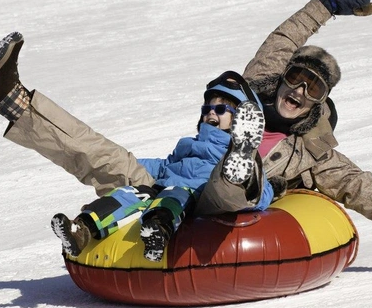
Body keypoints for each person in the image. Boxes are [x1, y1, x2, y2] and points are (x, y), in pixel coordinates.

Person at [0, 0, 372, 259]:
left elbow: (370, 193)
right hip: (178, 174)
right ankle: (10, 98)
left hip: (224, 198)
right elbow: (285, 34)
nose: (297, 91)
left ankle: (241, 155)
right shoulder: (260, 80)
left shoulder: (314, 154)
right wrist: (328, 5)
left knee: (232, 184)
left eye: (312, 89)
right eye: (298, 78)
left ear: (321, 101)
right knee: (107, 159)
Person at [50, 71, 273, 261]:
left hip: (202, 195)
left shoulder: (226, 154)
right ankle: (81, 230)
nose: (211, 113)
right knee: (127, 194)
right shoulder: (188, 145)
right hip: (161, 190)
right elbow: (163, 166)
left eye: (221, 109)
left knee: (175, 194)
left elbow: (264, 193)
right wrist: (129, 164)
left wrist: (258, 189)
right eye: (207, 109)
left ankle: (158, 232)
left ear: (238, 121)